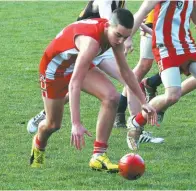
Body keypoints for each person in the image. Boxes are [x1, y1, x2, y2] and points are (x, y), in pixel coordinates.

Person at [29, 9, 157, 170]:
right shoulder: (91, 43)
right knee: (53, 125)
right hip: (54, 69)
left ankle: (99, 156)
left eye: (125, 37)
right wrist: (76, 123)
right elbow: (75, 83)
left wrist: (143, 102)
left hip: (76, 62)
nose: (121, 41)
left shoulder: (114, 36)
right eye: (118, 35)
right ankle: (38, 144)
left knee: (112, 97)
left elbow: (126, 72)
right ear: (109, 25)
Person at [124, 0, 196, 150]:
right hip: (166, 48)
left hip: (187, 46)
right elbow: (142, 11)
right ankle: (136, 122)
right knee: (172, 96)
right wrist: (127, 38)